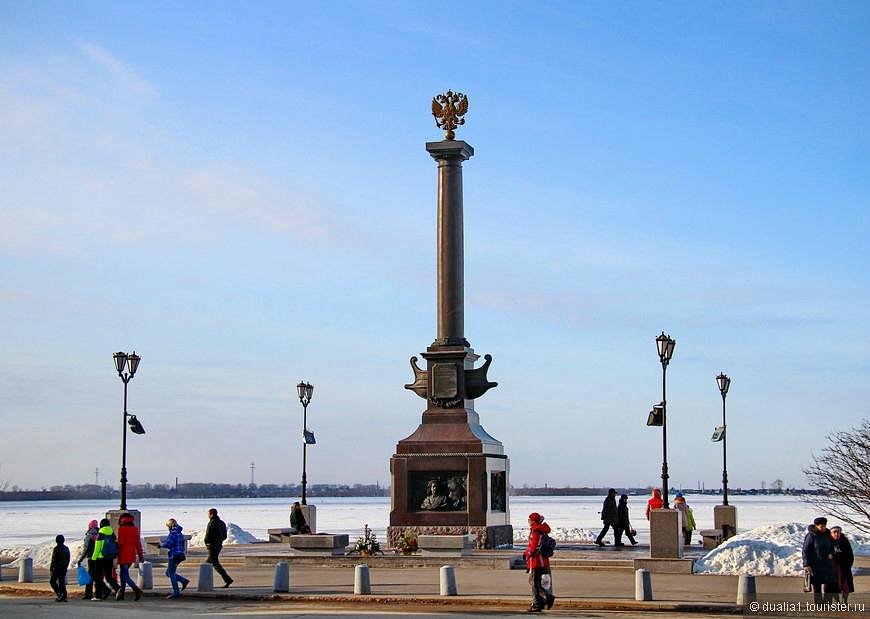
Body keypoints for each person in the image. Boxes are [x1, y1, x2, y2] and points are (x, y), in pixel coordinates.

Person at [523, 512, 555, 612]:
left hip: (536, 562)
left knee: (535, 584)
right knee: (539, 583)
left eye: (529, 520)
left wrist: (526, 554)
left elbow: (534, 549)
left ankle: (539, 603)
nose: (528, 521)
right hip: (543, 561)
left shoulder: (536, 531)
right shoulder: (541, 530)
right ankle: (542, 600)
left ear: (532, 521)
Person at [802, 516, 836, 604]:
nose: (823, 528)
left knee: (830, 585)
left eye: (824, 526)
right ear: (816, 526)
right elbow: (805, 551)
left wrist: (831, 553)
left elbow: (833, 547)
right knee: (817, 587)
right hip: (815, 565)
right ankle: (819, 605)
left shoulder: (828, 534)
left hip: (827, 565)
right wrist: (806, 564)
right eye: (821, 526)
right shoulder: (811, 536)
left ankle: (827, 604)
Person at [115, 512, 143, 601]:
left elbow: (121, 543)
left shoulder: (121, 529)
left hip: (123, 555)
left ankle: (136, 589)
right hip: (131, 555)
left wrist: (115, 545)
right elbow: (138, 543)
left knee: (124, 575)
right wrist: (141, 555)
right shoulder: (134, 529)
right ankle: (122, 594)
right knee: (123, 574)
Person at [91, 518, 119, 600]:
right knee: (109, 576)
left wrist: (93, 558)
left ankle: (98, 595)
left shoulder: (100, 534)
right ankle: (118, 588)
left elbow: (97, 548)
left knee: (98, 578)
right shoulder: (112, 533)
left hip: (100, 558)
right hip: (109, 557)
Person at [204, 508, 234, 588]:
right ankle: (206, 581)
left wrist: (207, 542)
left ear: (212, 514)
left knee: (213, 564)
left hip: (212, 546)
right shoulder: (222, 523)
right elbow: (225, 536)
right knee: (209, 563)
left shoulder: (211, 523)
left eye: (208, 514)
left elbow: (208, 535)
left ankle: (227, 579)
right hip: (218, 546)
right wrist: (219, 541)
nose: (208, 516)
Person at [161, 518, 189, 599]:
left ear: (170, 526)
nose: (168, 528)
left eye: (168, 526)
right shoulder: (180, 533)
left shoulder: (173, 533)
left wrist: (161, 545)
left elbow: (169, 544)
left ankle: (176, 592)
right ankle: (183, 581)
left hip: (173, 555)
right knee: (169, 573)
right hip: (180, 555)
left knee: (171, 573)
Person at [74, 519, 99, 600]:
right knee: (96, 577)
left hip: (91, 558)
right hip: (99, 558)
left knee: (90, 577)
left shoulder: (89, 535)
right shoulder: (99, 534)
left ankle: (88, 594)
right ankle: (99, 592)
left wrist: (81, 559)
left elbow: (86, 549)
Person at [830, 526, 854, 603]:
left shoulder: (844, 540)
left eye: (838, 532)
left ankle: (844, 602)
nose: (837, 534)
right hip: (833, 568)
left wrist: (848, 564)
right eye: (834, 532)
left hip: (844, 567)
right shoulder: (828, 541)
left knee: (846, 586)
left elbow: (850, 554)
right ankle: (838, 602)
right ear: (831, 533)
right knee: (834, 586)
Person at [50, 534, 70, 602]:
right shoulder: (66, 548)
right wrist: (66, 566)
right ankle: (64, 595)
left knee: (53, 581)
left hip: (57, 567)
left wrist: (51, 568)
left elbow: (54, 559)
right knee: (61, 581)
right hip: (64, 567)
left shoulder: (56, 549)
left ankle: (59, 593)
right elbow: (68, 558)